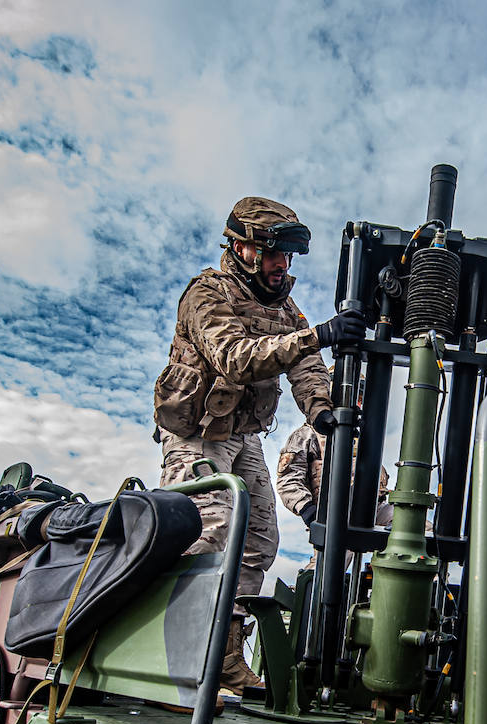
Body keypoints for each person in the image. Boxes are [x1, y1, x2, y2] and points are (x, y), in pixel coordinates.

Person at [153, 196, 366, 694]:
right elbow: (235, 358)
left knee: (259, 542)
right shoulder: (207, 293)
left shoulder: (285, 308)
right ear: (242, 247)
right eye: (273, 253)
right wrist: (319, 336)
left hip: (242, 435)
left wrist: (322, 413)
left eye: (287, 257)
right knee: (206, 530)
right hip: (196, 433)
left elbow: (308, 370)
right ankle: (173, 668)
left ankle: (224, 658)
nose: (281, 265)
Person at [275, 423, 393, 570]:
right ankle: (311, 589)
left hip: (376, 507)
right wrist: (308, 510)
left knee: (417, 532)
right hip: (339, 515)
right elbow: (288, 480)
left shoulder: (363, 430)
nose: (359, 402)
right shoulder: (307, 434)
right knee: (330, 568)